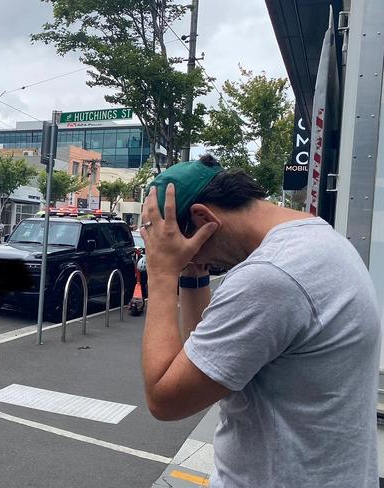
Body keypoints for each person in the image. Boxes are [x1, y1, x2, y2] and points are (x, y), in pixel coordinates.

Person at [139, 155, 380, 487]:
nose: (192, 259)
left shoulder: (270, 277)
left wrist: (162, 273)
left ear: (203, 217)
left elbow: (165, 399)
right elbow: (207, 360)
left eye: (190, 251)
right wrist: (193, 275)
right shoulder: (319, 240)